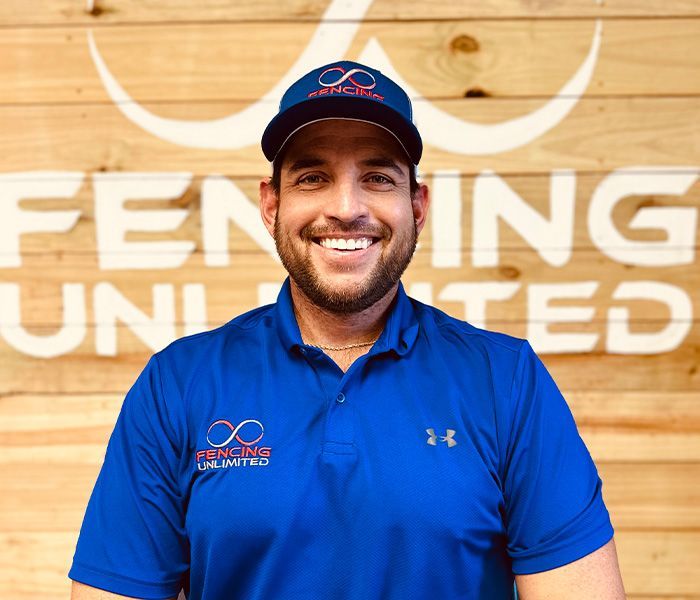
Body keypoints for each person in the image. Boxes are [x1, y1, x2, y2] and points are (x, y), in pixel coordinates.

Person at [69, 61, 626, 600]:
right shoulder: (180, 382)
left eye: (378, 178)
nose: (345, 208)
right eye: (313, 177)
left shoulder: (506, 380)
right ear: (271, 204)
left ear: (418, 205)